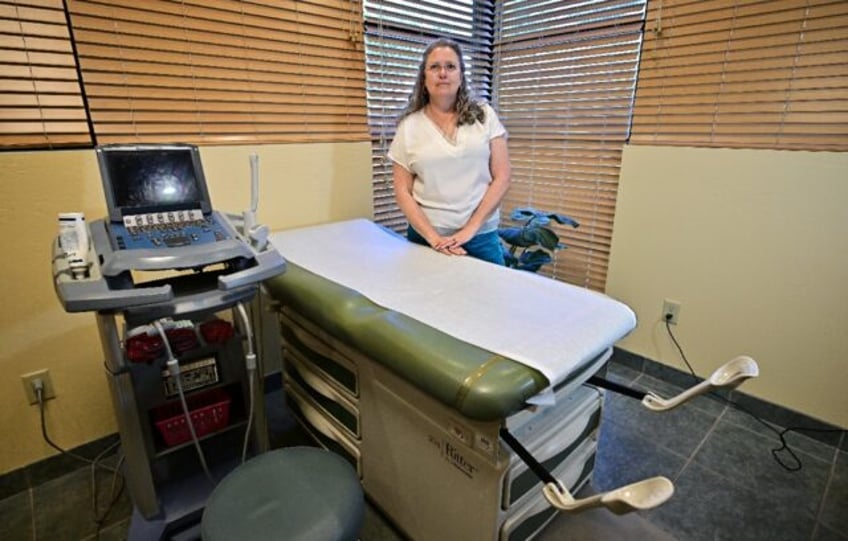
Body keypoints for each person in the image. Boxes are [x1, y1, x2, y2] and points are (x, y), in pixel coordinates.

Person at [387, 38, 511, 265]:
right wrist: (434, 238)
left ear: (461, 76)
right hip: (427, 238)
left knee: (490, 298)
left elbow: (502, 177)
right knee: (427, 299)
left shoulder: (484, 115)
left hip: (481, 236)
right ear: (423, 78)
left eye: (450, 66)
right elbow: (402, 191)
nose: (443, 73)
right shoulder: (409, 127)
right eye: (434, 67)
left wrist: (469, 230)